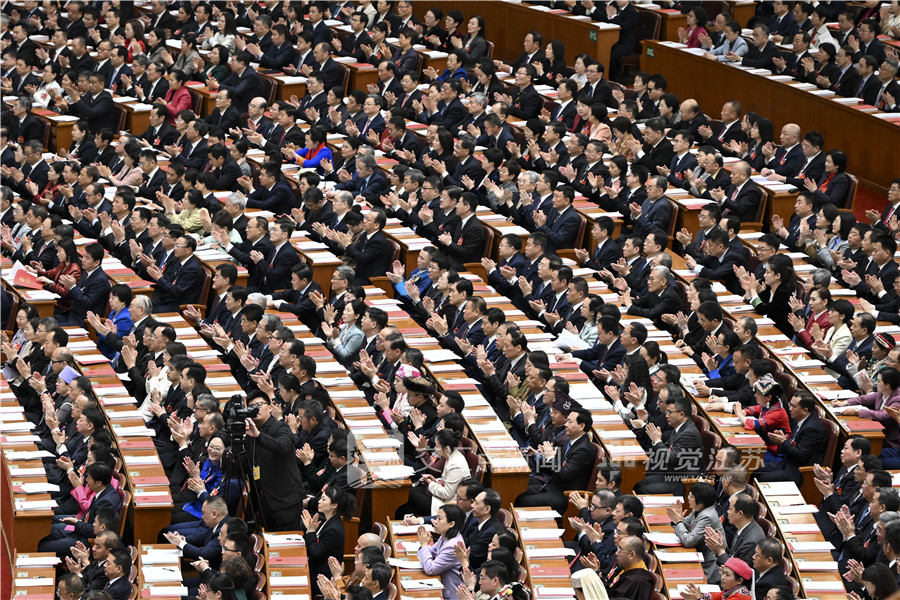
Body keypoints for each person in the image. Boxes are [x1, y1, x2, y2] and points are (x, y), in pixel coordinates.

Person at [244, 392, 304, 531]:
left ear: (270, 407)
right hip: (265, 502)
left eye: (259, 405)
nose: (256, 409)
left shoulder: (281, 427)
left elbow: (283, 446)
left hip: (285, 501)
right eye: (251, 407)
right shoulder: (250, 433)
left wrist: (259, 436)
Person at [669, 482, 725, 584]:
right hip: (697, 555)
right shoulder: (698, 509)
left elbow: (688, 541)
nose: (688, 498)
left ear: (700, 503)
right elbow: (685, 524)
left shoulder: (707, 516)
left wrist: (678, 521)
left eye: (691, 496)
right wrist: (678, 520)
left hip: (708, 566)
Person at [303, 486, 355, 595]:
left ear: (334, 505)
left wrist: (311, 532)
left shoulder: (333, 529)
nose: (319, 501)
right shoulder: (329, 521)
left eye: (323, 499)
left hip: (323, 577)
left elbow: (315, 554)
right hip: (317, 567)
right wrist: (310, 531)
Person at [416, 503, 465, 600]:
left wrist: (425, 545)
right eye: (436, 518)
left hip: (449, 594)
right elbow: (432, 552)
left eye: (439, 518)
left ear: (451, 524)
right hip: (438, 584)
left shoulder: (453, 545)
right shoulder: (445, 536)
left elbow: (430, 569)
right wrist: (425, 545)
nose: (435, 521)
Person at [681, 557, 754, 600]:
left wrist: (698, 598)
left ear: (739, 580)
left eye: (727, 575)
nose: (723, 577)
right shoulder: (731, 589)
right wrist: (701, 595)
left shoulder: (740, 597)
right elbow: (717, 596)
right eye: (723, 573)